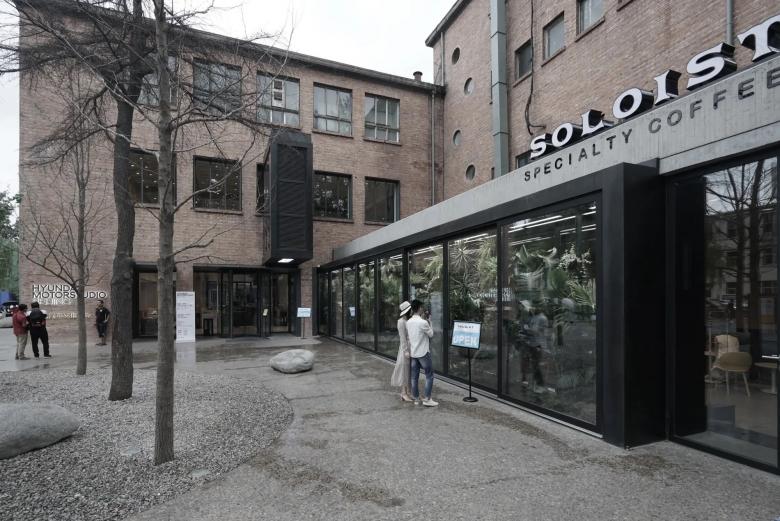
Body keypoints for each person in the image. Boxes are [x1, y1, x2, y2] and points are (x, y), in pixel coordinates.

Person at [406, 299, 438, 406]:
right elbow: (431, 334)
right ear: (419, 308)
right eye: (422, 307)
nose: (423, 309)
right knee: (429, 375)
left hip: (414, 353)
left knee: (414, 377)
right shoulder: (423, 322)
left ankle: (416, 399)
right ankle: (427, 399)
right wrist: (430, 322)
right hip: (423, 353)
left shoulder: (408, 322)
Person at [390, 301, 413, 402]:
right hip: (405, 349)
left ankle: (408, 392)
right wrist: (406, 350)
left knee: (409, 371)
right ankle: (403, 393)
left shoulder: (408, 320)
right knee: (404, 370)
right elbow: (402, 338)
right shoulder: (401, 322)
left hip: (411, 347)